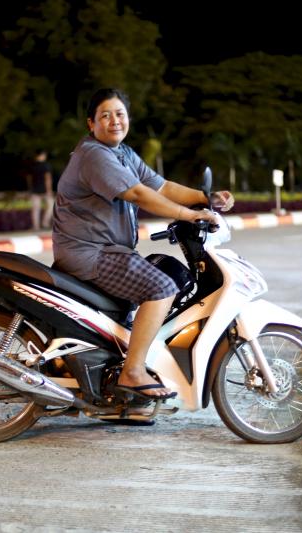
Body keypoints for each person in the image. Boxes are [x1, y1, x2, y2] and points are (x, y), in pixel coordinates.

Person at [52, 88, 234, 399]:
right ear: (90, 124)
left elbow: (161, 187)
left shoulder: (122, 154)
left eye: (119, 114)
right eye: (105, 115)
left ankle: (124, 394)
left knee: (169, 274)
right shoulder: (94, 155)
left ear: (128, 119)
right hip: (91, 254)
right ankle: (132, 372)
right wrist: (188, 215)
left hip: (108, 251)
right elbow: (138, 195)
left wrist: (207, 198)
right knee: (161, 287)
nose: (114, 121)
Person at [28, 149, 54, 230]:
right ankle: (45, 223)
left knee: (36, 209)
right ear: (42, 155)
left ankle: (36, 226)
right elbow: (48, 178)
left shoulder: (31, 165)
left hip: (34, 190)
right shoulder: (46, 165)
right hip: (45, 190)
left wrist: (30, 188)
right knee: (51, 206)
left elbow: (29, 178)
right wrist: (49, 190)